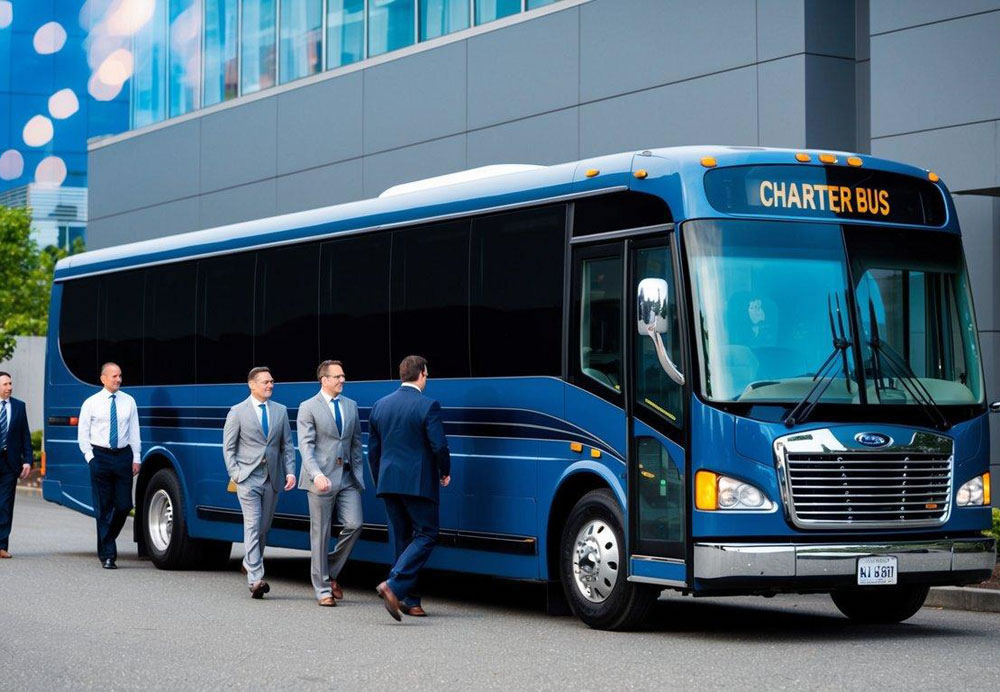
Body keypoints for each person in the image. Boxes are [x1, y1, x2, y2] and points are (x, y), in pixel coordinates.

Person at [368, 355, 451, 621]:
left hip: (389, 482)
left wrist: (380, 479)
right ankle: (393, 586)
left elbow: (374, 451)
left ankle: (410, 600)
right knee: (426, 534)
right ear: (422, 374)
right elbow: (439, 445)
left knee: (402, 539)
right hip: (418, 483)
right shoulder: (428, 406)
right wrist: (445, 471)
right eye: (427, 374)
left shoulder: (380, 406)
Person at [223, 366, 296, 599]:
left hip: (272, 478)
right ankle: (255, 579)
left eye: (272, 382)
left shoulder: (280, 411)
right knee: (253, 525)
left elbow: (287, 445)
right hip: (247, 478)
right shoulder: (237, 412)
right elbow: (229, 447)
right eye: (265, 382)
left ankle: (249, 561)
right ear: (252, 385)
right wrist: (236, 473)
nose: (270, 385)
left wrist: (291, 472)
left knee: (264, 527)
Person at [297, 360, 365, 607]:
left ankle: (328, 569)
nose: (342, 380)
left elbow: (355, 443)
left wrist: (358, 475)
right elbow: (306, 446)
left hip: (346, 477)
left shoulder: (351, 406)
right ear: (323, 380)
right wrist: (316, 474)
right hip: (320, 479)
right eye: (337, 376)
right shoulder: (308, 407)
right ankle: (322, 589)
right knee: (321, 533)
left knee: (355, 524)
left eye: (343, 376)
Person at [77, 363, 141, 569]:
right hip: (100, 456)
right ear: (103, 379)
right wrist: (90, 458)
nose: (118, 380)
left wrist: (136, 456)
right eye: (114, 376)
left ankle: (106, 539)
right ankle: (108, 555)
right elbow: (83, 433)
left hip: (122, 456)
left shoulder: (129, 402)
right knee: (103, 507)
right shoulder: (91, 403)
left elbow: (134, 430)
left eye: (120, 376)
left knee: (124, 506)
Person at [0, 372, 33, 559]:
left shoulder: (19, 406)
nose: (9, 387)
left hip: (10, 464)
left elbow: (25, 435)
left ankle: (2, 545)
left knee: (5, 505)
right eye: (5, 384)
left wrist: (27, 460)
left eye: (10, 383)